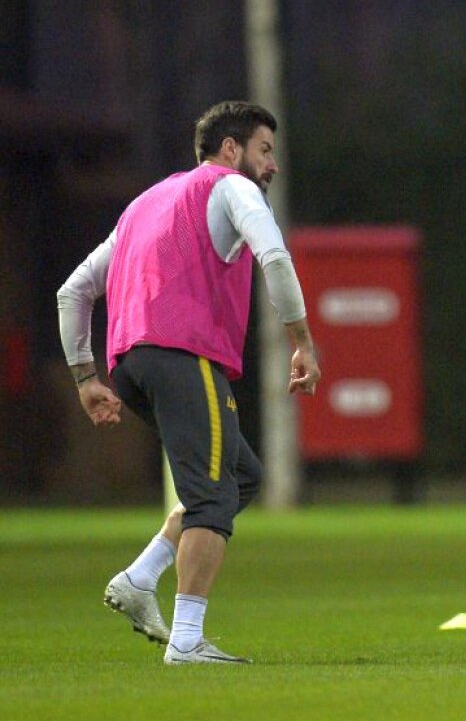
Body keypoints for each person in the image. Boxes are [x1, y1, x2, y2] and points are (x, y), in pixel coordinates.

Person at [57, 101, 321, 664]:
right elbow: (273, 256)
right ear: (231, 150)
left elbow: (73, 291)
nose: (271, 164)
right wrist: (302, 340)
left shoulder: (146, 203)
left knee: (241, 478)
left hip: (132, 364)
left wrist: (85, 376)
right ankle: (186, 639)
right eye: (265, 150)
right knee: (210, 497)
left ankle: (139, 576)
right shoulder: (231, 187)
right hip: (183, 357)